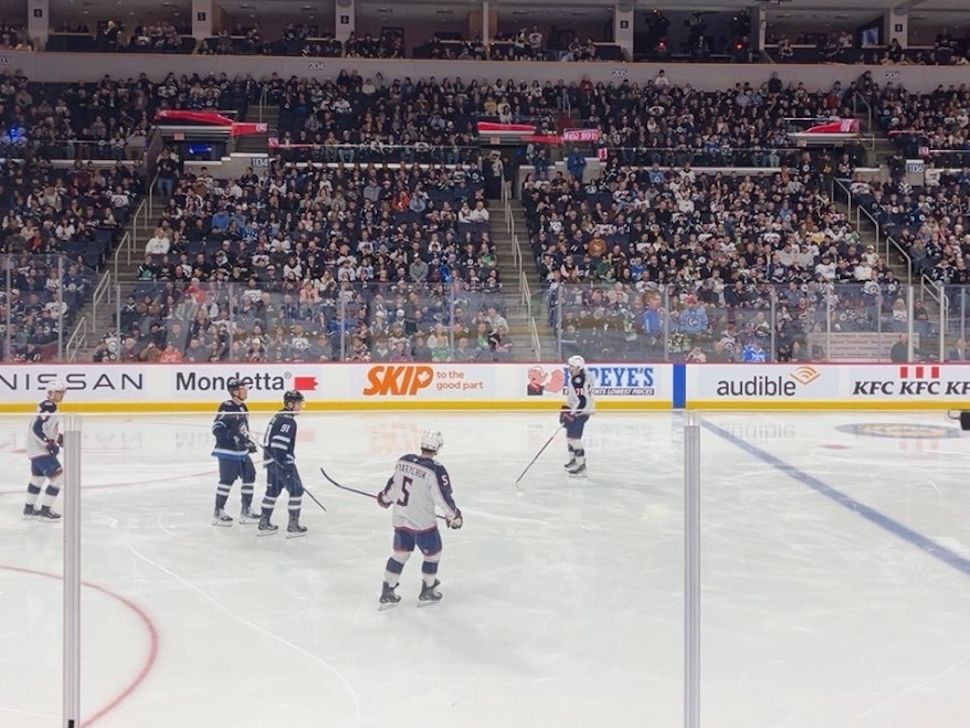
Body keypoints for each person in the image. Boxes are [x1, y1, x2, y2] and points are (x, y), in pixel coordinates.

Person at [376, 430, 462, 608]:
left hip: (400, 520)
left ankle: (388, 590)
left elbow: (393, 486)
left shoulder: (404, 460)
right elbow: (442, 498)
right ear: (438, 448)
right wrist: (453, 516)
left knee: (399, 555)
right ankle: (428, 589)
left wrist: (384, 499)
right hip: (423, 524)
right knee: (433, 554)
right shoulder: (436, 470)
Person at [258, 390, 308, 537]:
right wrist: (285, 465)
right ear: (290, 404)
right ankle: (293, 525)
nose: (300, 406)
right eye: (298, 403)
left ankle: (264, 522)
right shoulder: (288, 421)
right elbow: (278, 444)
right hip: (280, 461)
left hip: (270, 461)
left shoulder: (278, 415)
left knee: (272, 491)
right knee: (297, 490)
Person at [210, 377, 259, 526]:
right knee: (227, 480)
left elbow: (243, 430)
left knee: (250, 475)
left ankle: (246, 510)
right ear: (235, 391)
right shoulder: (226, 407)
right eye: (243, 389)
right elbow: (216, 429)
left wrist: (247, 442)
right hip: (227, 451)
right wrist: (231, 435)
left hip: (241, 451)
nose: (246, 391)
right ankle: (218, 512)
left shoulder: (243, 407)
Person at [24, 380, 67, 520]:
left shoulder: (48, 405)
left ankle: (29, 509)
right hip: (40, 449)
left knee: (38, 479)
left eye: (62, 392)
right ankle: (45, 511)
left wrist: (58, 439)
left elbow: (46, 429)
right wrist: (47, 442)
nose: (61, 395)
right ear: (51, 393)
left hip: (35, 449)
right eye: (58, 392)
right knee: (59, 477)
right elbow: (37, 427)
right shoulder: (49, 405)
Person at [561, 355, 595, 477]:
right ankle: (574, 460)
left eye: (572, 366)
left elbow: (582, 400)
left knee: (574, 439)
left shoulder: (578, 380)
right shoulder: (584, 375)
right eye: (569, 366)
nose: (569, 368)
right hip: (578, 409)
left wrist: (574, 412)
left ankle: (581, 466)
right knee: (570, 437)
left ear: (578, 367)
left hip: (581, 411)